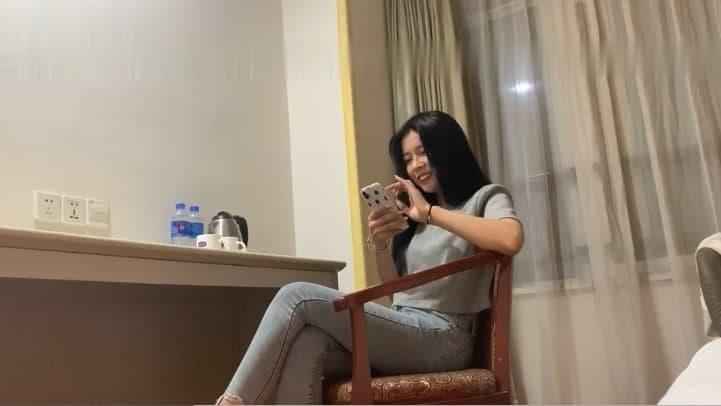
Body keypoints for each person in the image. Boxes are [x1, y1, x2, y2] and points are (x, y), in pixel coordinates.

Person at [216, 111, 524, 405]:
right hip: (409, 328)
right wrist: (380, 243)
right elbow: (395, 290)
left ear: (448, 147)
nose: (416, 165)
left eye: (422, 152)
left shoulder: (485, 197)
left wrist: (430, 213)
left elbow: (510, 238)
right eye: (407, 159)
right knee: (309, 343)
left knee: (295, 295)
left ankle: (233, 402)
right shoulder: (416, 218)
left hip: (445, 338)